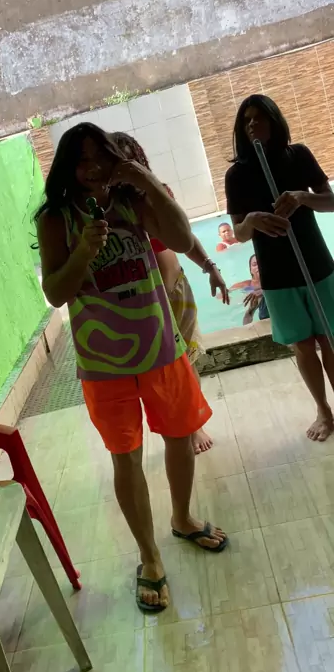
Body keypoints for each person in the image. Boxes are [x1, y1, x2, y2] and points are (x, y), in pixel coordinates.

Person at [36, 122, 228, 614]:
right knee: (127, 459)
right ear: (67, 168)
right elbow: (56, 293)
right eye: (80, 159)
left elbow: (181, 237)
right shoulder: (56, 218)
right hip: (105, 366)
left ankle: (182, 518)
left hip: (162, 349)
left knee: (180, 438)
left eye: (99, 155)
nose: (92, 167)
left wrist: (143, 179)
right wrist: (83, 251)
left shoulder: (132, 200)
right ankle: (149, 557)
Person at [111, 131, 229, 454]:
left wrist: (210, 267)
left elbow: (184, 236)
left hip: (176, 290)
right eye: (117, 160)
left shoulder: (158, 193)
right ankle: (182, 424)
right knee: (168, 370)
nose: (124, 166)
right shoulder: (113, 209)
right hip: (147, 302)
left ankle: (194, 423)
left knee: (188, 361)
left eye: (129, 158)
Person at [225, 94, 334, 441]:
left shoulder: (297, 156)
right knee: (302, 345)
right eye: (246, 120)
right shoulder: (237, 175)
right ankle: (323, 411)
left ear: (274, 121)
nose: (252, 125)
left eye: (259, 117)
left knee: (330, 339)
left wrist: (302, 197)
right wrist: (252, 221)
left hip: (316, 264)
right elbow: (239, 233)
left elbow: (331, 201)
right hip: (276, 275)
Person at [230, 254, 270, 325]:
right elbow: (249, 313)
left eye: (261, 263)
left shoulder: (261, 292)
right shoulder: (248, 286)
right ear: (250, 270)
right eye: (254, 264)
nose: (258, 266)